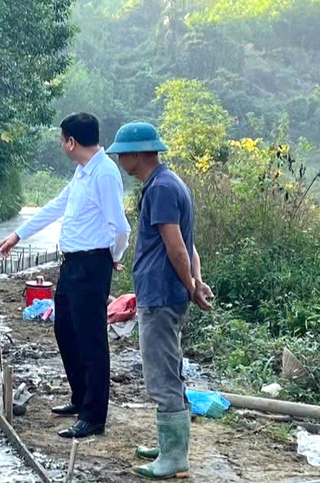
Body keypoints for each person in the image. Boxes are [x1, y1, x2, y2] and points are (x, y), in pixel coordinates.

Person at [0, 112, 130, 438]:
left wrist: (112, 257)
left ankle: (94, 416)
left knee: (92, 340)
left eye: (61, 139)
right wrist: (18, 236)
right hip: (72, 264)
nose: (61, 145)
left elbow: (120, 227)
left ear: (71, 141)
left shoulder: (105, 175)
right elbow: (57, 205)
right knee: (64, 330)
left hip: (92, 264)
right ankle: (80, 399)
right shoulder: (83, 171)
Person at [106, 121, 214, 479]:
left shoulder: (161, 190)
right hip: (167, 292)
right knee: (170, 369)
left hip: (162, 295)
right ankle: (169, 445)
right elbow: (190, 245)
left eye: (122, 153)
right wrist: (195, 282)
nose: (119, 159)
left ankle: (174, 458)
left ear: (138, 154)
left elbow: (177, 247)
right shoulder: (168, 183)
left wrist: (191, 285)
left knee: (160, 376)